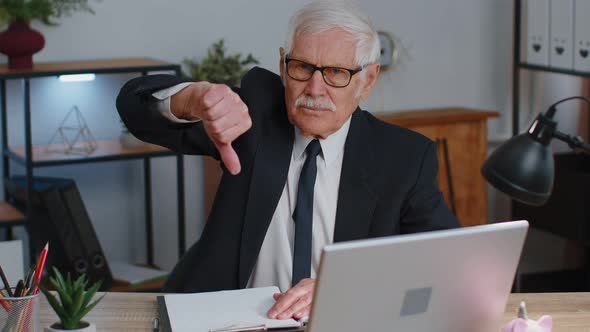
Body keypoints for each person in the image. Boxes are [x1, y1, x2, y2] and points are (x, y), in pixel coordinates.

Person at [116, 0, 459, 321]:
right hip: (229, 321)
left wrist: (341, 288)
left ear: (367, 80)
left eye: (336, 73)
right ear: (282, 66)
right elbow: (134, 107)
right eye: (302, 67)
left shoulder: (403, 157)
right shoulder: (252, 117)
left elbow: (443, 263)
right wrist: (193, 99)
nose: (314, 88)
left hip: (341, 321)